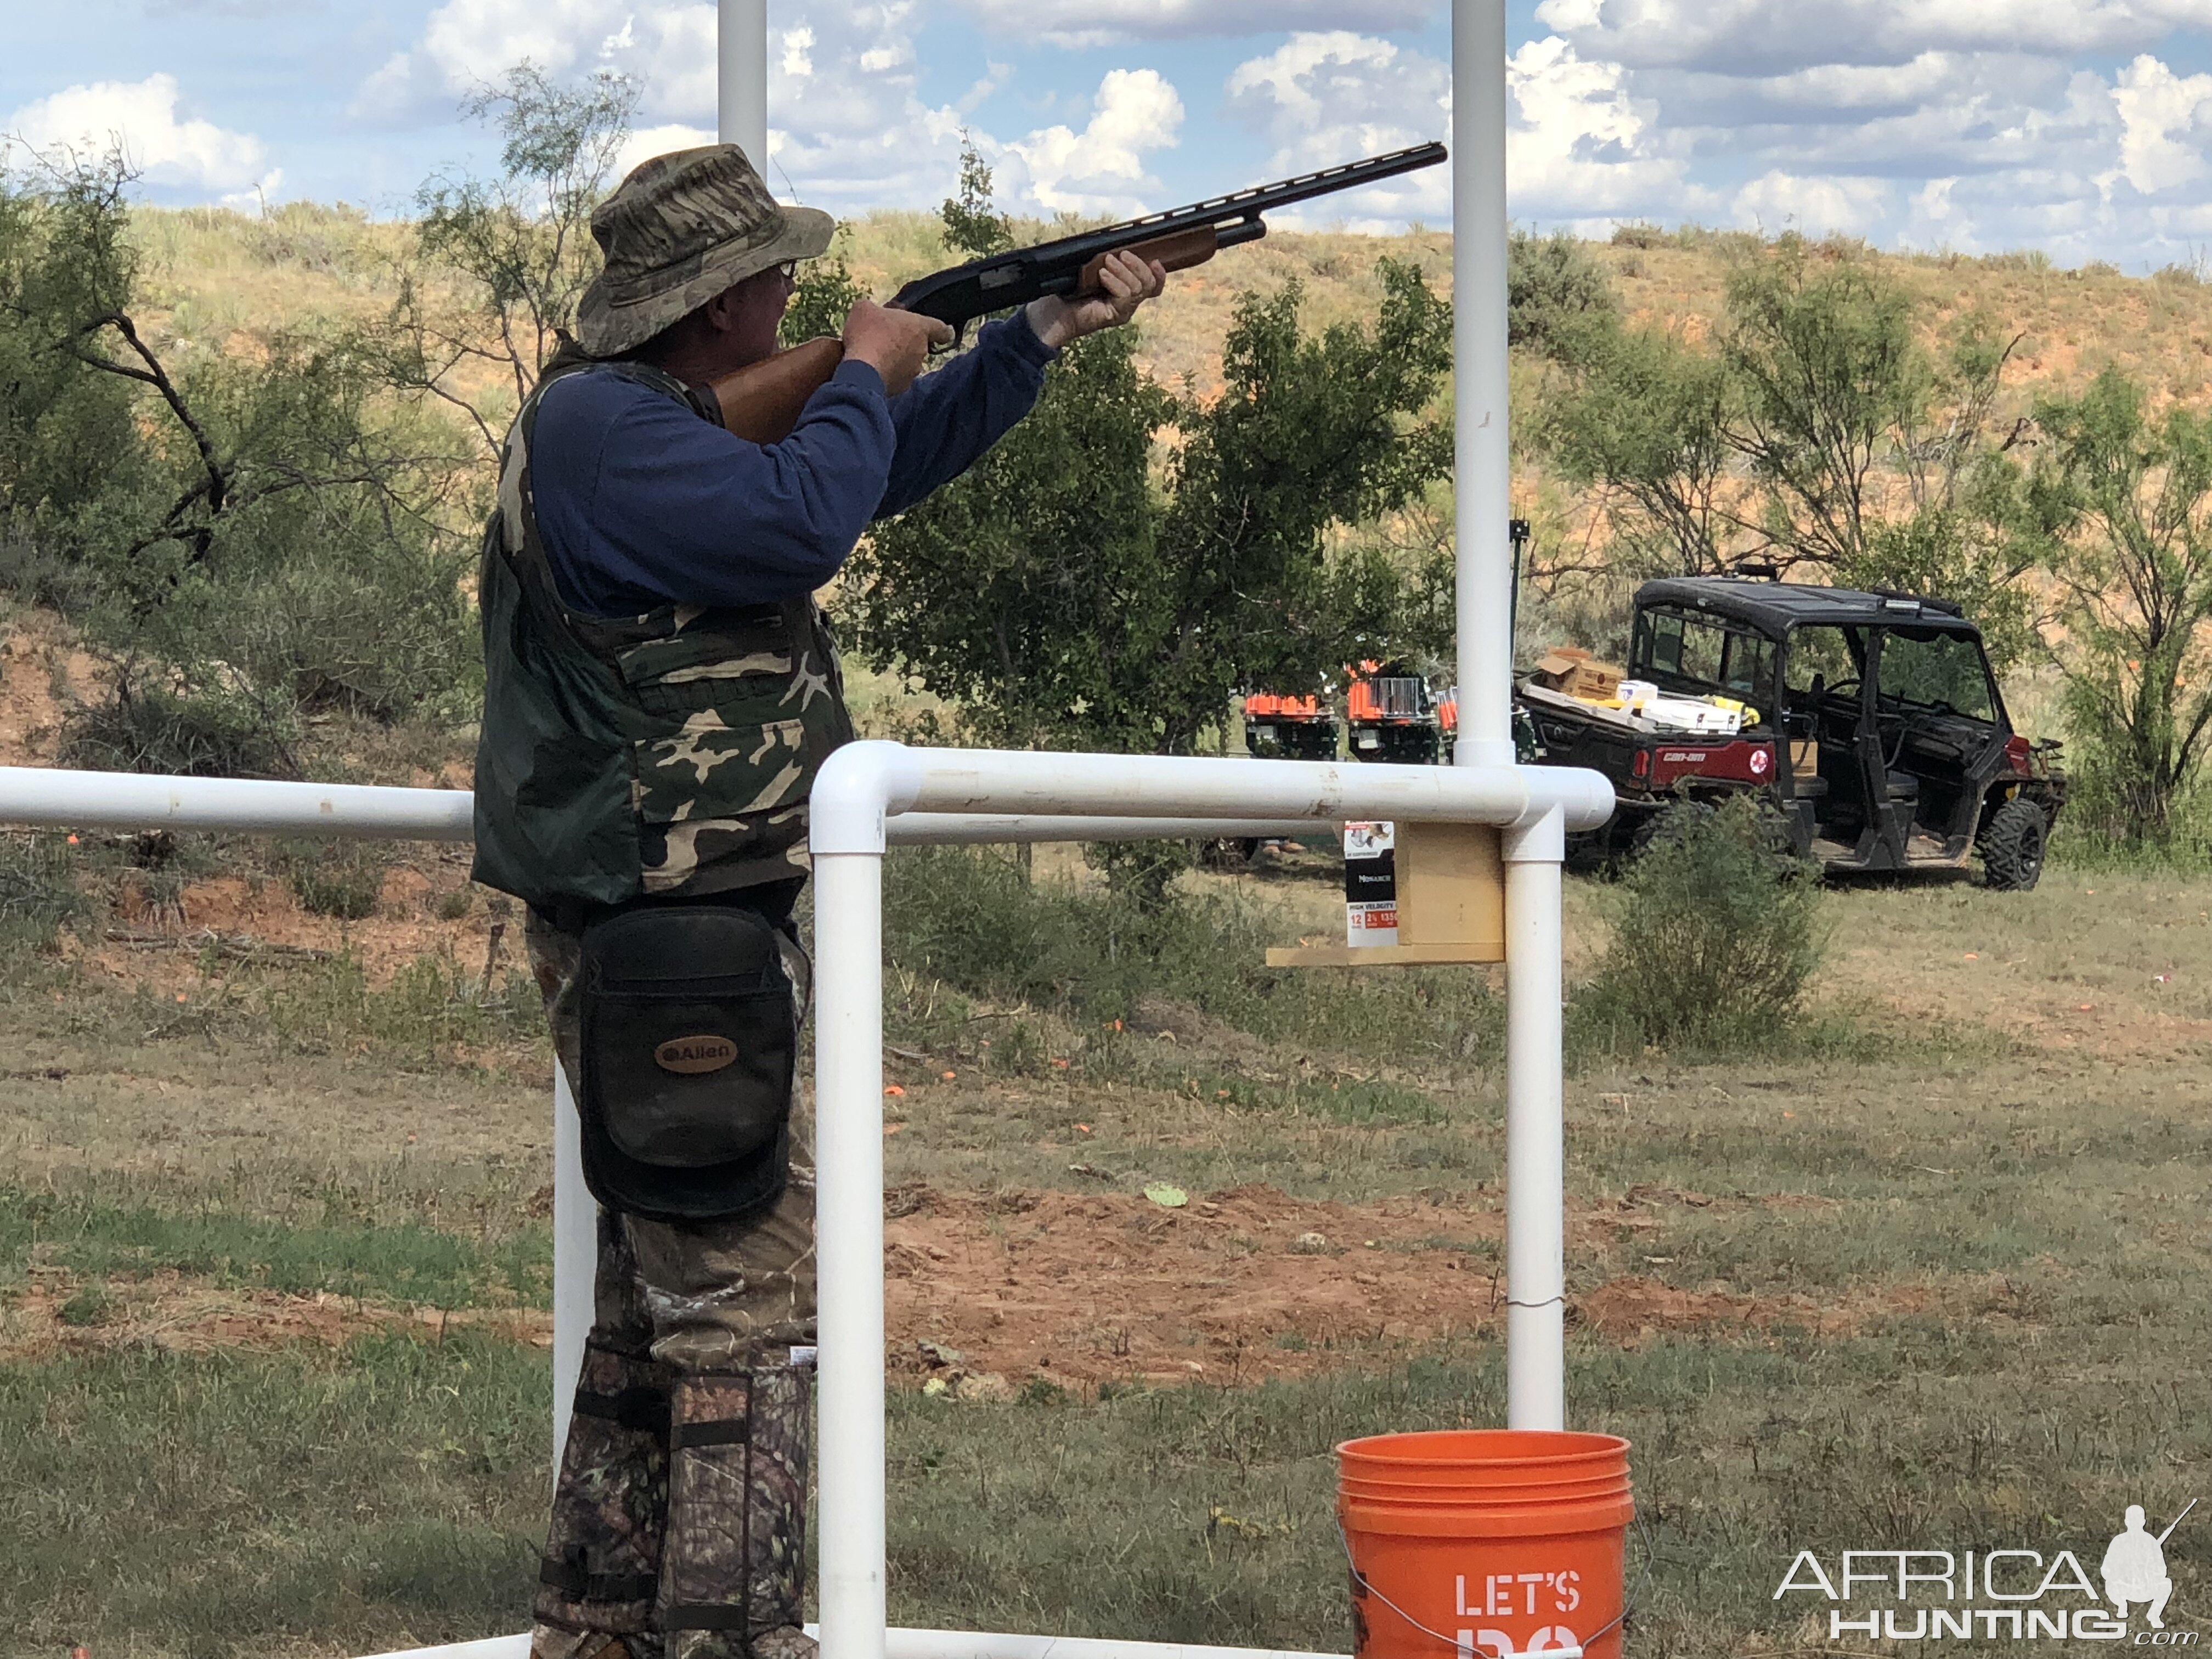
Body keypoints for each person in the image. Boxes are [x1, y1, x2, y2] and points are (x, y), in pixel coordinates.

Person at [467, 144, 1164, 1659]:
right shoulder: (598, 431)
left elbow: (865, 473)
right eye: (771, 276)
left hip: (682, 902)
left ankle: (597, 1626)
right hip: (672, 913)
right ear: (719, 306)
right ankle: (734, 1631)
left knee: (662, 1298)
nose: (792, 288)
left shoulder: (644, 425)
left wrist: (1027, 341)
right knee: (751, 1300)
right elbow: (808, 526)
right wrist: (865, 356)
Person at [2101, 1505, 2174, 1628]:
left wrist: (2150, 1573)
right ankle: (2122, 1606)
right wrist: (2119, 1573)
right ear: (2126, 1522)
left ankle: (2154, 1615)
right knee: (2110, 1584)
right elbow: (2106, 1569)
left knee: (2166, 1584)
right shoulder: (2118, 1542)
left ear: (2144, 1522)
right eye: (2132, 1520)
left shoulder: (2151, 1542)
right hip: (2125, 1588)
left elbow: (2162, 1569)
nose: (2135, 1523)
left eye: (2138, 1520)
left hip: (2146, 1589)